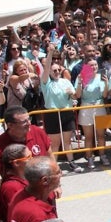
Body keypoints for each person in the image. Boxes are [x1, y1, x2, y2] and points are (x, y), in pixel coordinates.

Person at [0, 106, 51, 195]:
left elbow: (50, 158)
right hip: (17, 194)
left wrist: (56, 185)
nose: (28, 123)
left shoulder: (38, 132)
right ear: (10, 125)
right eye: (24, 121)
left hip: (43, 190)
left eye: (29, 119)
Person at [41, 45, 81, 173]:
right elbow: (46, 69)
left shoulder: (65, 81)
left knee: (67, 140)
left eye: (59, 70)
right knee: (55, 144)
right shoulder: (46, 83)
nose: (57, 72)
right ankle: (54, 167)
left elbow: (76, 95)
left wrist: (74, 90)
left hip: (66, 112)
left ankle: (71, 162)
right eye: (54, 70)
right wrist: (51, 53)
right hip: (52, 114)